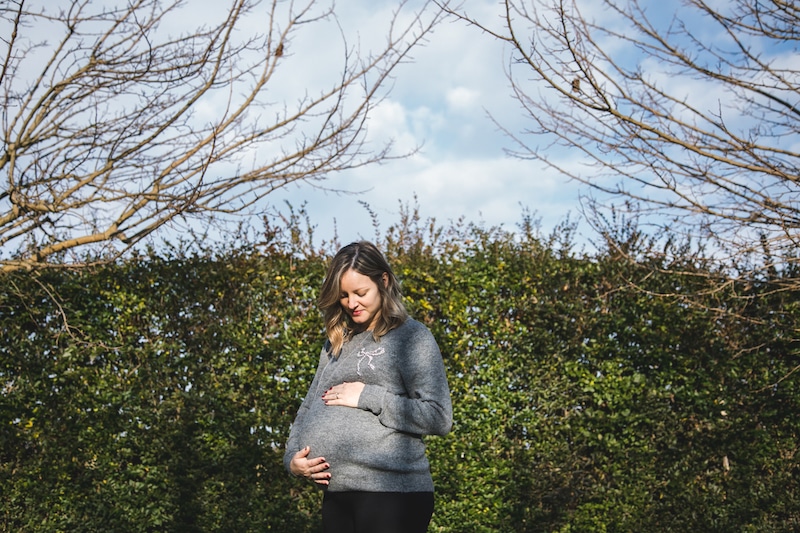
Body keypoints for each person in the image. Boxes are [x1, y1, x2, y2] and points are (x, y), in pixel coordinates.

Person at [284, 240, 453, 533]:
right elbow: (310, 404)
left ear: (383, 281)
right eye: (344, 295)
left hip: (392, 493)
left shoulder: (412, 337)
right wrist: (291, 459)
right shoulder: (337, 340)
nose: (351, 303)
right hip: (338, 494)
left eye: (361, 293)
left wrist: (367, 395)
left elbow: (439, 417)